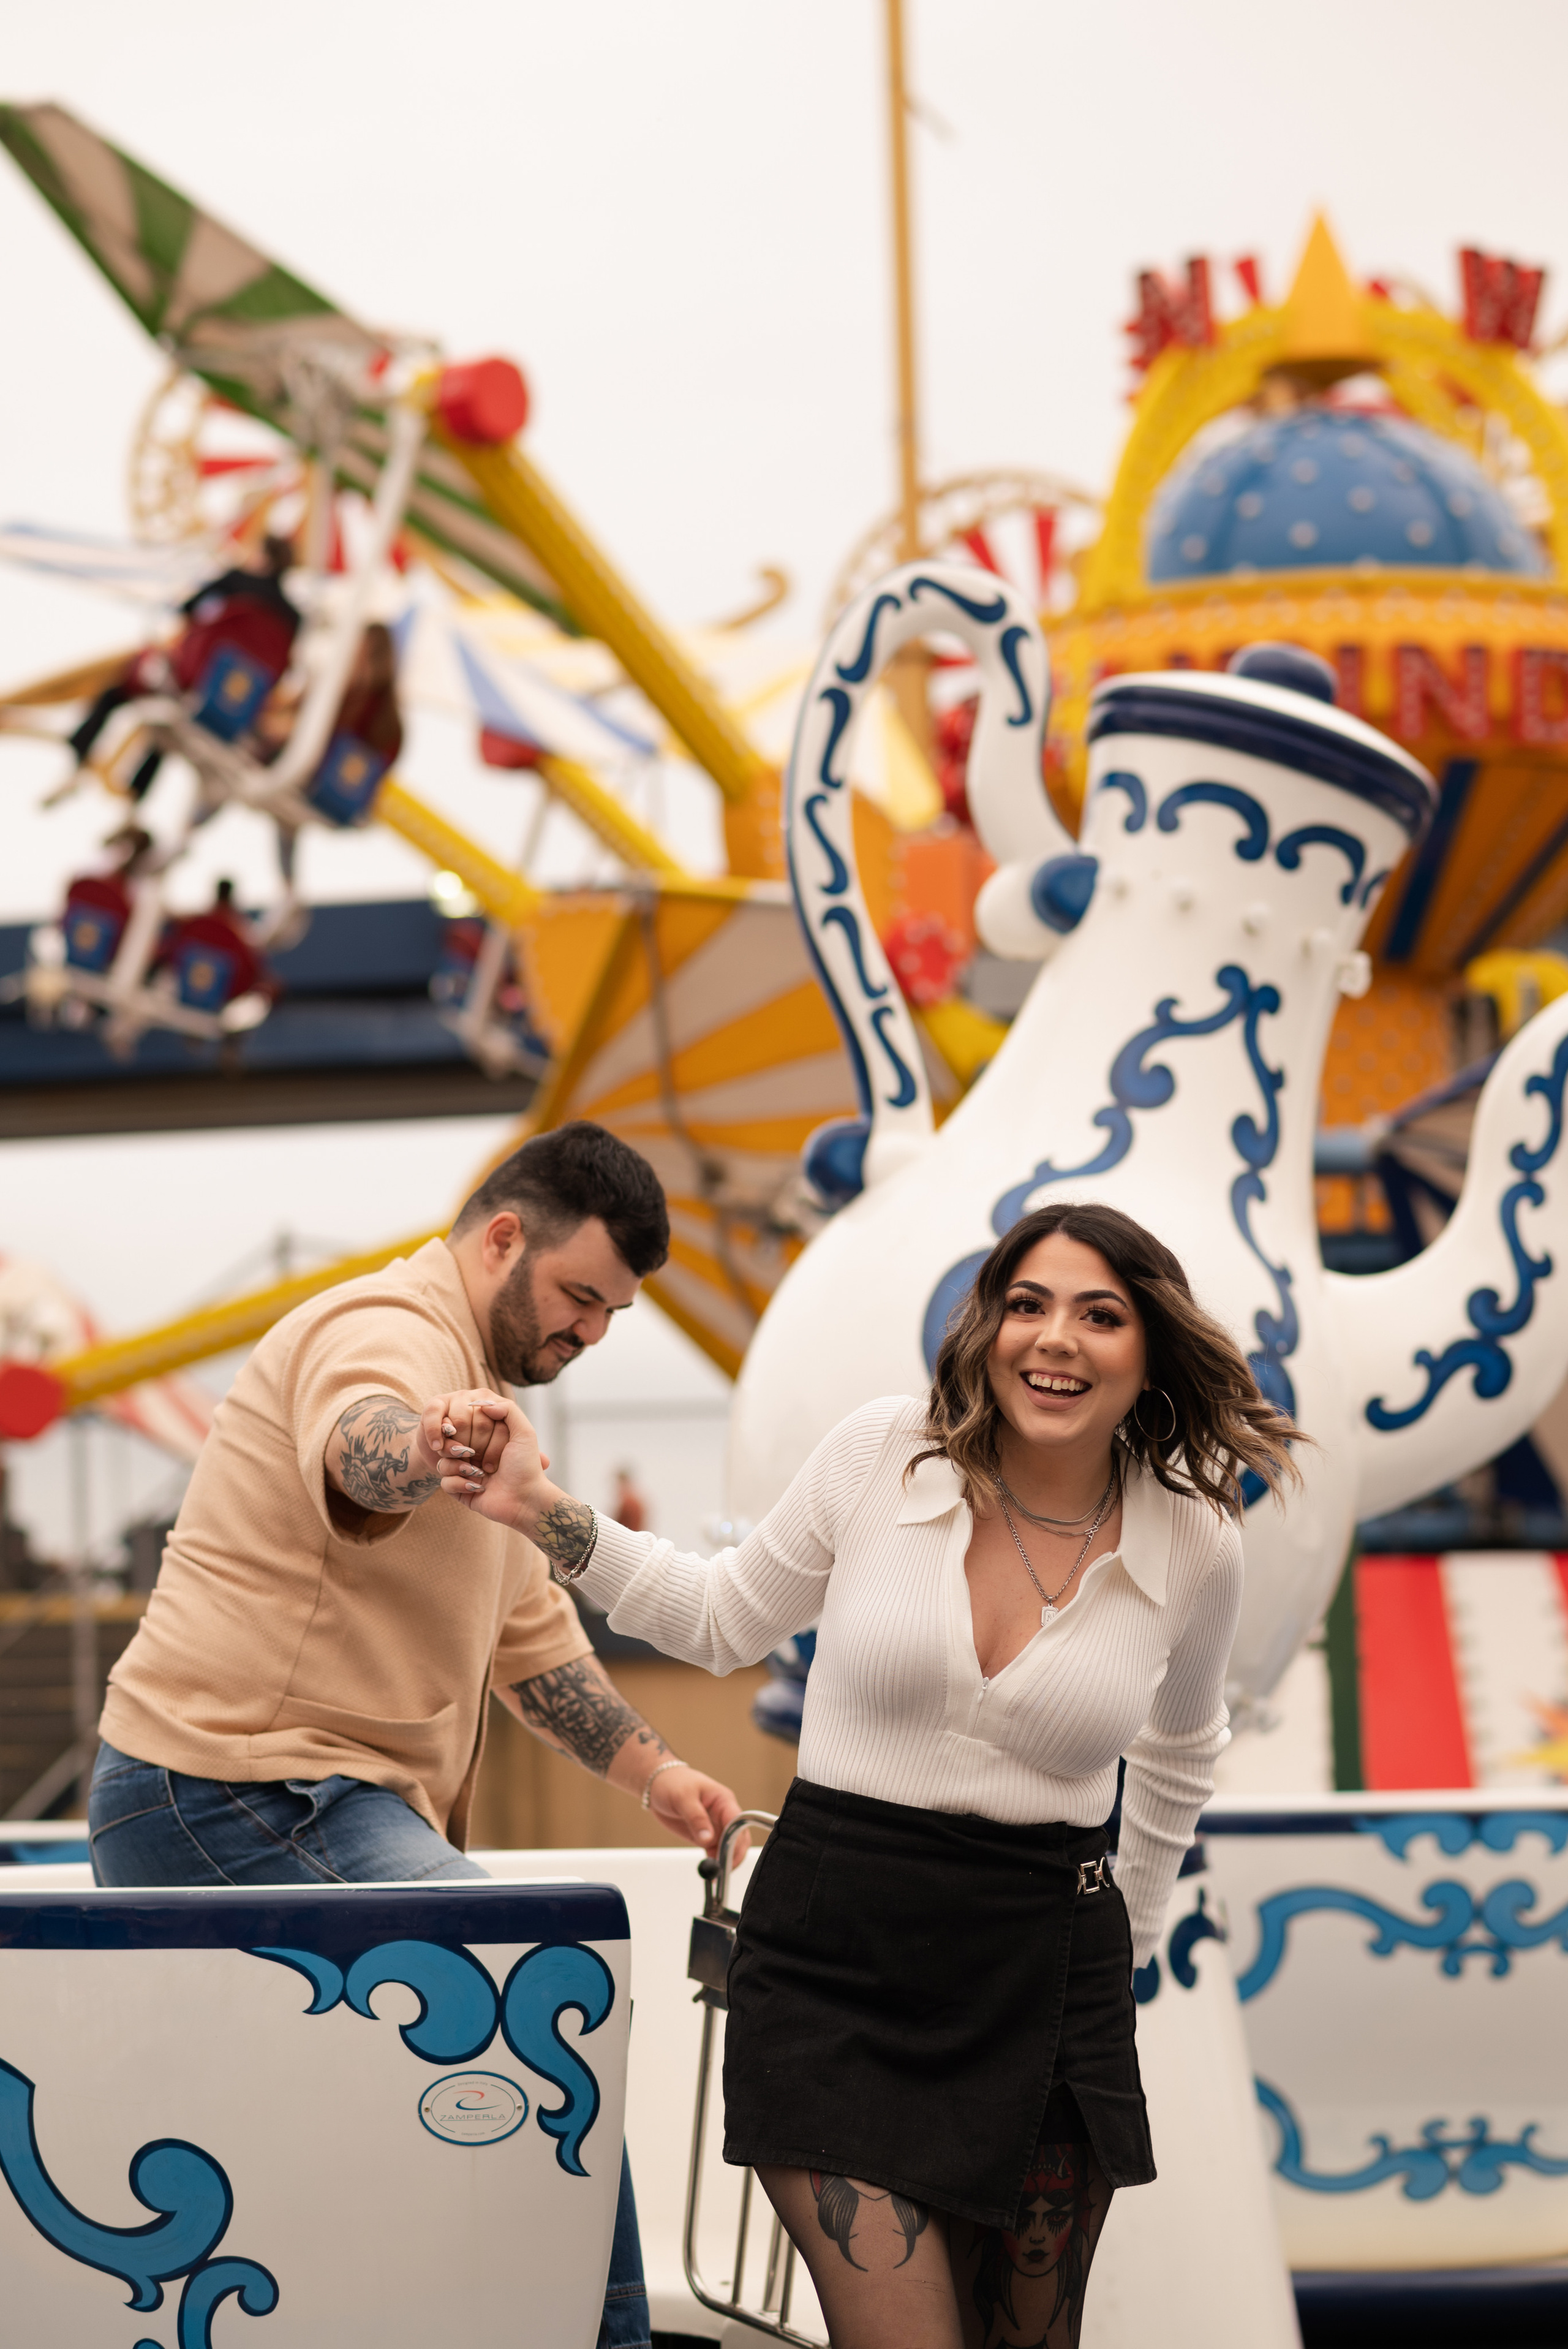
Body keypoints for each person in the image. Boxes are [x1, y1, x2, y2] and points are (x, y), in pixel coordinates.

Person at [431, 1198, 1301, 2349]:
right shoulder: (882, 1451)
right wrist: (543, 1510)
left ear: (1148, 1350)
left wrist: (1121, 1950)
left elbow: (1182, 1752)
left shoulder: (1197, 1537)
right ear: (989, 1323)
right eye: (1029, 1303)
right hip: (836, 1959)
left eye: (1101, 1313)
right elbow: (718, 1613)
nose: (1055, 1338)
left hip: (1046, 1972)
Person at [87, 1120, 741, 2349]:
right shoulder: (386, 1333)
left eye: (612, 1317)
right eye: (578, 1297)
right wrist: (435, 1448)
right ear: (503, 1238)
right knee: (529, 1993)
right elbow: (363, 1444)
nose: (589, 1333)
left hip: (291, 1798)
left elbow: (532, 1645)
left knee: (433, 2109)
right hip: (234, 1788)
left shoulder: (489, 1417)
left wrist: (657, 1774)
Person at [68, 534, 301, 800]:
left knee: (122, 690)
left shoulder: (236, 579)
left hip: (194, 679)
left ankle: (79, 751)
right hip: (239, 701)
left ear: (263, 557)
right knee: (170, 723)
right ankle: (137, 792)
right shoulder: (294, 618)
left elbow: (187, 608)